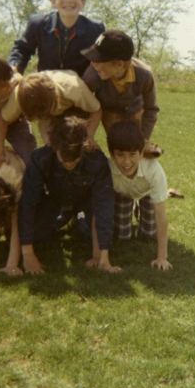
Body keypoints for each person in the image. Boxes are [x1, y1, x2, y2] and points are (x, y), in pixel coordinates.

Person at [17, 115, 121, 274]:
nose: (69, 165)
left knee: (94, 236)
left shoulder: (97, 160)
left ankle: (77, 219)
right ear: (54, 147)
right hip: (55, 200)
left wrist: (102, 257)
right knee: (40, 236)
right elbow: (28, 204)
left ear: (84, 147)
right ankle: (63, 219)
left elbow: (103, 206)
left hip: (84, 202)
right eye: (64, 161)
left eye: (75, 160)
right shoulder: (41, 158)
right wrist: (27, 253)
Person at [81, 30, 163, 157]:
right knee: (118, 151)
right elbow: (81, 106)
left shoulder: (144, 75)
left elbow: (151, 110)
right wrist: (87, 135)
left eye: (98, 60)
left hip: (136, 113)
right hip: (110, 116)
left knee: (136, 152)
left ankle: (145, 151)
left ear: (119, 64)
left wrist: (143, 139)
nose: (92, 63)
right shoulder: (92, 76)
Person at [8, 0, 105, 77]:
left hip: (78, 87)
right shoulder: (38, 24)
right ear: (53, 1)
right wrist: (14, 69)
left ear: (83, 2)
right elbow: (22, 50)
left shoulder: (95, 29)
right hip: (46, 84)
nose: (68, 0)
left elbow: (102, 63)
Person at [107, 120, 172, 271]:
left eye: (132, 154)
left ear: (141, 152)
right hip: (122, 194)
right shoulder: (107, 168)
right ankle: (132, 207)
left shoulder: (154, 171)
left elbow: (161, 215)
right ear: (111, 154)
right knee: (122, 235)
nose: (127, 161)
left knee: (149, 234)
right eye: (120, 155)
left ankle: (140, 208)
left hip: (146, 193)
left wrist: (162, 257)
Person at [2, 70, 102, 149]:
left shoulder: (74, 88)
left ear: (56, 98)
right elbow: (2, 120)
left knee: (77, 145)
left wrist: (89, 135)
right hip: (48, 108)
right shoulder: (20, 96)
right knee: (51, 147)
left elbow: (96, 110)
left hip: (73, 108)